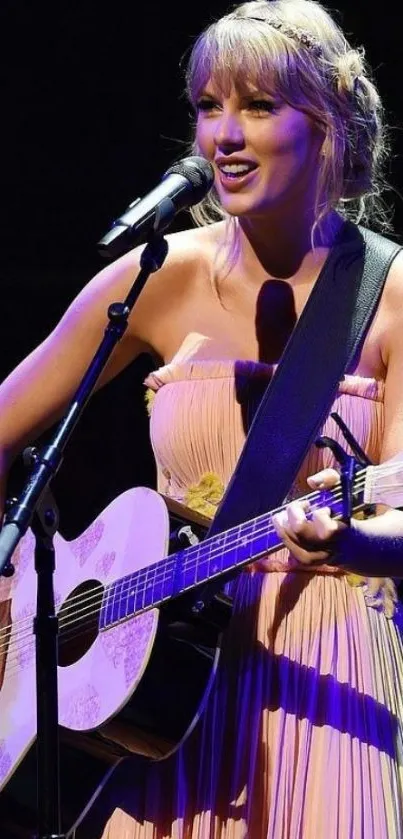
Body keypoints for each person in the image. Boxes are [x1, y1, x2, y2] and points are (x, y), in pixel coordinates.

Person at [1, 0, 403, 836]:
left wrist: (359, 542)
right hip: (158, 692)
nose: (222, 133)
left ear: (328, 125)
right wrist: (10, 592)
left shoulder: (390, 296)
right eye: (208, 105)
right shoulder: (153, 276)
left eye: (257, 106)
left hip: (325, 672)